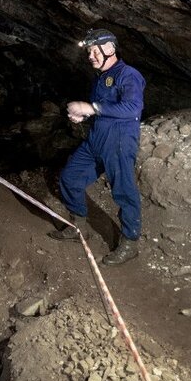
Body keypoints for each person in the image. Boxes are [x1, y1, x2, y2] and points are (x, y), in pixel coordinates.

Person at [49, 28, 146, 265]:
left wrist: (91, 108)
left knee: (123, 191)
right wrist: (85, 116)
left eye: (95, 50)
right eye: (89, 51)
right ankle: (79, 225)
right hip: (96, 140)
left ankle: (130, 243)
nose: (91, 56)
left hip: (119, 143)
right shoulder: (100, 78)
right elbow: (103, 109)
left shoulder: (128, 75)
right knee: (70, 178)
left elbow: (132, 108)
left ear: (110, 49)